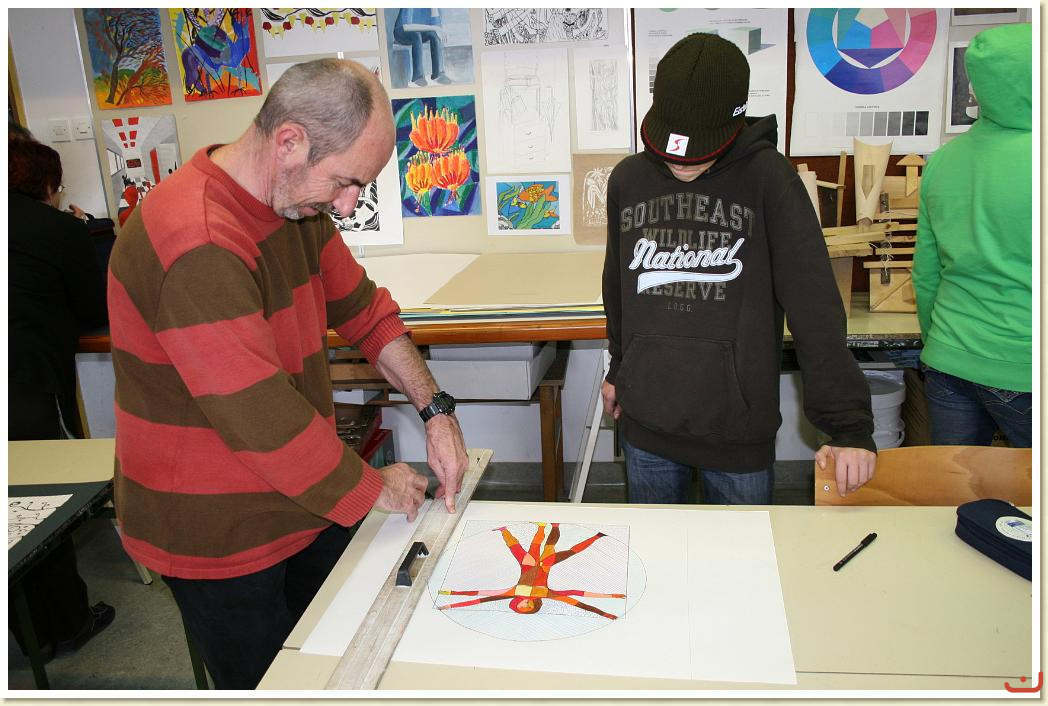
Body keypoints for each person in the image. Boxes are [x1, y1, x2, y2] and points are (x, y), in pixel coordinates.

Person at [107, 58, 469, 689]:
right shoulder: (198, 241)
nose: (348, 205)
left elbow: (365, 312)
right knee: (270, 686)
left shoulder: (297, 208)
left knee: (332, 660)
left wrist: (436, 410)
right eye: (346, 183)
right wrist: (371, 488)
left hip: (299, 493)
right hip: (217, 531)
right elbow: (263, 420)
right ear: (290, 141)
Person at [601, 33, 877, 505]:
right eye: (671, 149)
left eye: (696, 152)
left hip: (736, 433)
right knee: (655, 549)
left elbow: (814, 307)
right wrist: (619, 368)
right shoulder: (629, 179)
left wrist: (848, 426)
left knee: (744, 551)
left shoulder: (770, 180)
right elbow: (619, 289)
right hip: (646, 423)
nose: (680, 163)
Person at [8, 131, 115, 661]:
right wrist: (88, 237)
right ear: (47, 184)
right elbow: (95, 309)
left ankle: (29, 639)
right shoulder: (56, 229)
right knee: (41, 505)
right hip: (24, 379)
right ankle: (68, 625)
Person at [913, 23, 1032, 448]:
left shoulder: (942, 161)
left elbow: (925, 275)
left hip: (949, 358)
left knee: (956, 485)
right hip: (1024, 365)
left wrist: (940, 342)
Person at [438, 523, 623, 619]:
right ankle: (574, 531)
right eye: (528, 608)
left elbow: (480, 596)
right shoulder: (545, 594)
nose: (525, 605)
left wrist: (451, 596)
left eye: (521, 607)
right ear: (535, 606)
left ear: (516, 604)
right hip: (545, 564)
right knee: (565, 550)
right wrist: (608, 603)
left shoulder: (512, 593)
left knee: (525, 546)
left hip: (528, 564)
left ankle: (519, 529)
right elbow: (577, 597)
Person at [393, 8, 453, 88]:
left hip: (420, 32)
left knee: (434, 36)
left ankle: (438, 74)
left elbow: (437, 27)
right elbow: (406, 27)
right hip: (401, 32)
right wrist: (435, 28)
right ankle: (418, 77)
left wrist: (433, 8)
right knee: (416, 36)